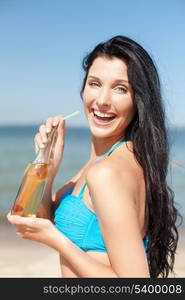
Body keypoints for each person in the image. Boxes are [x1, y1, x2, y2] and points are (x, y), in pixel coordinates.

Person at [7, 35, 180, 278]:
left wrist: (55, 240)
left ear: (138, 100)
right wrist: (48, 165)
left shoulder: (107, 172)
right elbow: (43, 219)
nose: (102, 101)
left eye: (120, 88)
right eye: (95, 83)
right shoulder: (106, 161)